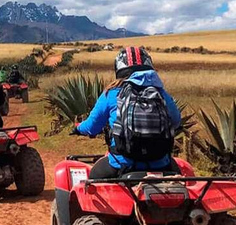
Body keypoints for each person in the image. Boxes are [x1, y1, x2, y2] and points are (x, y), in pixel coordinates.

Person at [72, 47, 181, 179]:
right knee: (181, 178)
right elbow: (176, 122)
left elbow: (92, 127)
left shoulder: (111, 93)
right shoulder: (161, 93)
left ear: (119, 69)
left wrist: (78, 128)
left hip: (121, 165)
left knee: (92, 180)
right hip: (161, 165)